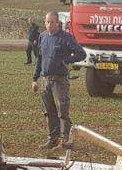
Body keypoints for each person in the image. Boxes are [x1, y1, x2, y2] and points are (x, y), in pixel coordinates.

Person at [31, 10, 86, 150]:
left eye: (52, 22)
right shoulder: (43, 37)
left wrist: (66, 60)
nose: (49, 25)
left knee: (63, 110)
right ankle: (52, 139)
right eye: (47, 22)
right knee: (49, 111)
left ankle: (67, 140)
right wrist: (35, 78)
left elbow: (81, 53)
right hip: (45, 80)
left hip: (60, 81)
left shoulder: (66, 37)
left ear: (58, 23)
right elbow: (40, 59)